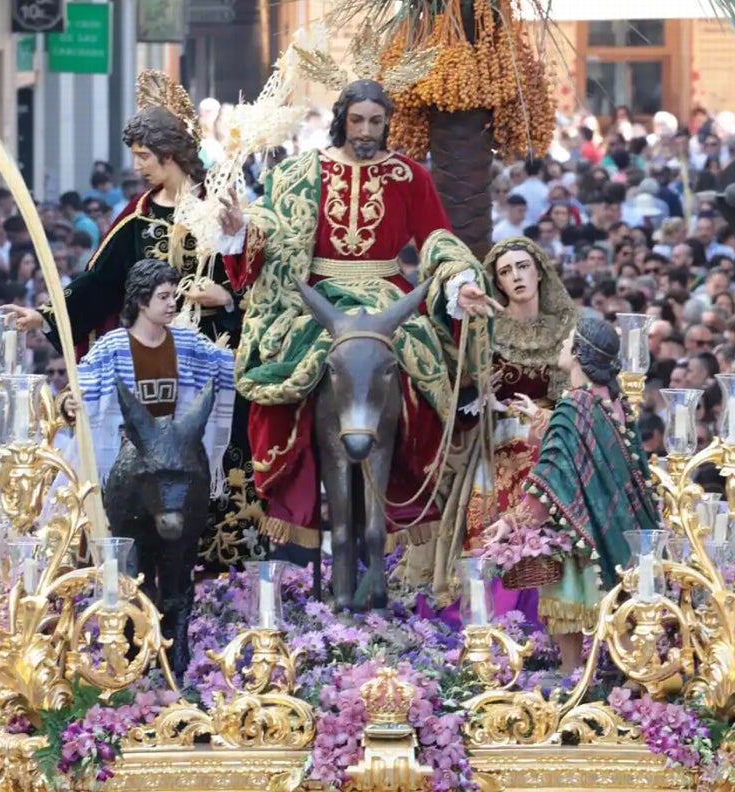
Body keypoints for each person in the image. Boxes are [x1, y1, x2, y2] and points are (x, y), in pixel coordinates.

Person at [216, 79, 496, 548]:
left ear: (388, 124)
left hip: (387, 292)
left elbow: (437, 241)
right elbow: (270, 225)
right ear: (341, 119)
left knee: (417, 366)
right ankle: (301, 480)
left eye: (376, 122)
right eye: (357, 120)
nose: (366, 131)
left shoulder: (410, 176)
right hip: (317, 294)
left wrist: (460, 282)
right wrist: (241, 229)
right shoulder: (300, 172)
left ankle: (407, 477)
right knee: (292, 368)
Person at [4, 75, 261, 569]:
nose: (138, 166)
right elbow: (98, 282)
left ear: (170, 154)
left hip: (214, 354)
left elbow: (260, 277)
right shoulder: (137, 220)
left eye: (145, 156)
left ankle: (224, 550)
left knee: (220, 449)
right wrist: (45, 316)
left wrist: (227, 296)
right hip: (153, 360)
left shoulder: (224, 209)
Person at [482, 318, 660, 671]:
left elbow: (555, 472)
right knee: (618, 599)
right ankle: (634, 670)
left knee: (571, 591)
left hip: (582, 527)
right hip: (618, 520)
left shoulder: (574, 406)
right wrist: (543, 418)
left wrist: (511, 522)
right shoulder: (613, 401)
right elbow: (585, 445)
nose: (562, 345)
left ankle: (571, 669)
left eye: (568, 342)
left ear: (578, 354)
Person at [428, 237, 578, 602]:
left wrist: (545, 419)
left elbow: (578, 394)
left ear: (539, 272)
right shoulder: (486, 329)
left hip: (551, 443)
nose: (517, 277)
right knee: (484, 520)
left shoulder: (567, 327)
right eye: (506, 271)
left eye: (523, 267)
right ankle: (489, 609)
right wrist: (478, 393)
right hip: (494, 442)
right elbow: (456, 384)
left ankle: (552, 606)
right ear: (498, 282)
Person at [74, 259, 236, 493]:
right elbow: (77, 391)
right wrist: (69, 403)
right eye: (163, 297)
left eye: (173, 295)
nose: (172, 303)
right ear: (141, 300)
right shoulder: (111, 347)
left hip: (173, 462)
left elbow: (229, 366)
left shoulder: (188, 343)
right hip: (123, 462)